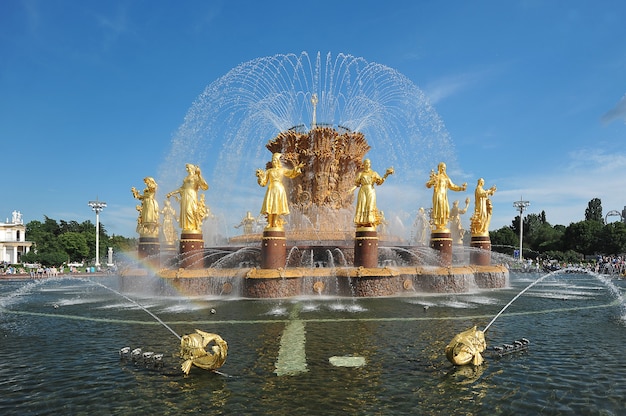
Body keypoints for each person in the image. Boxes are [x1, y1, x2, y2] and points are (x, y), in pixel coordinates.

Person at [256, 153, 303, 229]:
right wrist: (260, 177)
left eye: (275, 160)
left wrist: (298, 167)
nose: (273, 162)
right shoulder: (269, 171)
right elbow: (263, 183)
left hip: (279, 189)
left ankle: (275, 221)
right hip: (271, 189)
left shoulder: (282, 170)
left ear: (278, 161)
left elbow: (291, 173)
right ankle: (269, 223)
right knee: (270, 206)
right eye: (272, 160)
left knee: (277, 205)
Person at [351, 159, 394, 228]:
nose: (367, 164)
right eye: (365, 163)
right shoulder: (360, 174)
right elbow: (356, 184)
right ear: (363, 164)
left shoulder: (374, 173)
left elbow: (379, 182)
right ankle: (361, 222)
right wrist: (351, 190)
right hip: (362, 190)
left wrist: (386, 174)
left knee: (370, 205)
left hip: (370, 190)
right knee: (362, 205)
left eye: (368, 163)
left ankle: (370, 221)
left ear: (370, 164)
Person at [166, 163, 209, 233]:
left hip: (192, 194)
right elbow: (181, 188)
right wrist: (171, 193)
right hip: (185, 195)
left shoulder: (196, 177)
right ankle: (188, 227)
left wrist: (199, 175)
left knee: (191, 210)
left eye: (188, 167)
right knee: (185, 211)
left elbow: (205, 186)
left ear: (192, 168)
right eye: (186, 168)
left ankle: (194, 226)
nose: (186, 169)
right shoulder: (186, 178)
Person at [425, 162, 467, 231]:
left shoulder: (446, 178)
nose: (443, 168)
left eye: (444, 167)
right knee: (439, 209)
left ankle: (443, 224)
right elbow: (427, 185)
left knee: (446, 209)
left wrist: (461, 188)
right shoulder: (436, 176)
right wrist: (432, 182)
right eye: (442, 167)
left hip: (444, 196)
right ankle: (438, 224)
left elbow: (453, 186)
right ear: (439, 168)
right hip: (438, 195)